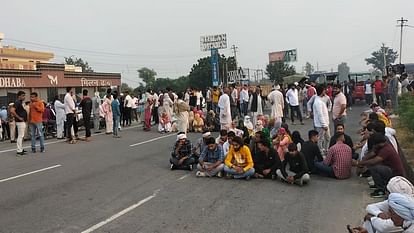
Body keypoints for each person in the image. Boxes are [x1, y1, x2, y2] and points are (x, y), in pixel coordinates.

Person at [354, 133, 405, 198]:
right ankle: (379, 184)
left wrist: (361, 163)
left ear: (377, 143)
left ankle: (381, 190)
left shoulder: (386, 149)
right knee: (371, 164)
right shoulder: (381, 146)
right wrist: (363, 160)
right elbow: (372, 153)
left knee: (374, 167)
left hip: (395, 174)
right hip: (389, 169)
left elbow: (375, 160)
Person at [10, 91, 28, 155]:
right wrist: (19, 117)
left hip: (20, 121)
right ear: (19, 96)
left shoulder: (19, 102)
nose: (24, 97)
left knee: (21, 136)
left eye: (24, 95)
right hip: (20, 121)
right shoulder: (17, 102)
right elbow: (12, 110)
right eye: (23, 95)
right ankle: (19, 150)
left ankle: (21, 149)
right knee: (20, 136)